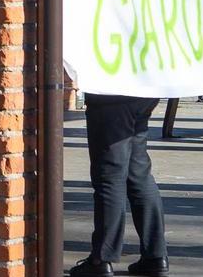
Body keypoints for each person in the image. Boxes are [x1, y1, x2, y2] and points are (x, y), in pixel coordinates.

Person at [70, 94, 169, 277]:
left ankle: (101, 258)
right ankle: (155, 256)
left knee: (110, 176)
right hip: (142, 90)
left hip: (111, 92)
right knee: (138, 173)